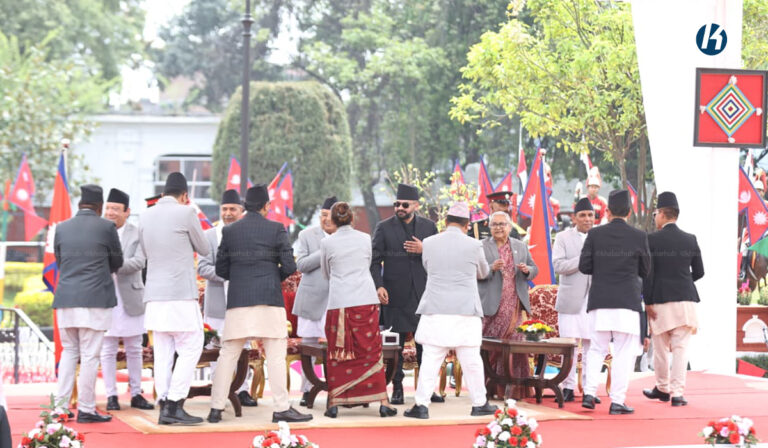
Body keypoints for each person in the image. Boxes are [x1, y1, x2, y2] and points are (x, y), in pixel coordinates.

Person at [207, 185, 312, 424]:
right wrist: (271, 275)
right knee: (275, 355)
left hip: (238, 300)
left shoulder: (230, 231)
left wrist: (241, 277)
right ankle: (281, 408)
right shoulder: (276, 229)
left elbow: (221, 269)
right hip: (269, 298)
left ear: (245, 206)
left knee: (228, 354)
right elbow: (289, 266)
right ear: (266, 206)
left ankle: (216, 408)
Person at [404, 202, 497, 419]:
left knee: (430, 360)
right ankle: (479, 403)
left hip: (436, 308)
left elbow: (428, 267)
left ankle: (421, 405)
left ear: (445, 222)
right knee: (472, 361)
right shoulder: (474, 245)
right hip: (465, 310)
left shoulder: (429, 242)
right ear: (467, 225)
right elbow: (483, 273)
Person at [139, 172, 209, 425]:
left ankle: (164, 404)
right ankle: (175, 402)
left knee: (163, 351)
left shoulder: (145, 215)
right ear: (184, 195)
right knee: (192, 345)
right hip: (179, 293)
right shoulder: (187, 212)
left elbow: (145, 252)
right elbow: (204, 248)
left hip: (154, 295)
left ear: (163, 193)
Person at [319, 201, 397, 419]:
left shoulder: (327, 243)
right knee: (370, 351)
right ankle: (383, 402)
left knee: (338, 352)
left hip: (340, 302)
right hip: (365, 299)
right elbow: (368, 265)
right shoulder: (365, 239)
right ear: (352, 218)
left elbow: (326, 273)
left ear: (333, 220)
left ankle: (335, 402)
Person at [53, 185, 123, 423]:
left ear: (80, 204)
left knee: (69, 352)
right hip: (95, 299)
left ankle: (59, 408)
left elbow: (60, 262)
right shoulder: (106, 227)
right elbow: (117, 262)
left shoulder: (61, 227)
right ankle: (86, 409)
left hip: (66, 299)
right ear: (99, 206)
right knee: (90, 356)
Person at [579, 190, 651, 415]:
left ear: (607, 211)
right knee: (623, 353)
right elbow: (646, 270)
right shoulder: (639, 236)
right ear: (629, 212)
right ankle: (617, 401)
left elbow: (584, 266)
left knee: (596, 349)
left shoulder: (595, 234)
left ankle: (589, 393)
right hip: (627, 301)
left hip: (600, 300)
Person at [370, 183, 438, 404]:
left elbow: (439, 258)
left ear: (416, 205)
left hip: (422, 294)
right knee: (396, 347)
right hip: (394, 294)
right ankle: (397, 389)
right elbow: (374, 260)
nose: (400, 208)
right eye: (397, 204)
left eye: (405, 205)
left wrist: (424, 249)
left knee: (425, 345)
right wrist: (379, 286)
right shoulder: (384, 227)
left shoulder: (429, 227)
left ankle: (427, 390)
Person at [642, 192, 704, 407]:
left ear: (662, 213)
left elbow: (647, 274)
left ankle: (662, 388)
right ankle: (677, 394)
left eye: (656, 213)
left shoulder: (651, 239)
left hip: (660, 300)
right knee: (680, 349)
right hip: (686, 301)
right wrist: (683, 281)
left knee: (660, 349)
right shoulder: (690, 239)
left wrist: (647, 301)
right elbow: (699, 272)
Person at [197, 189, 257, 407]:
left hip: (243, 301)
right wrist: (229, 274)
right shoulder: (209, 236)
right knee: (217, 347)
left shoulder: (249, 234)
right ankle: (219, 389)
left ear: (242, 211)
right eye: (225, 209)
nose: (228, 213)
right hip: (216, 303)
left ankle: (242, 389)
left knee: (243, 345)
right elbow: (203, 267)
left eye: (233, 209)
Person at [100, 188, 154, 412]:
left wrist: (112, 265)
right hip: (106, 296)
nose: (110, 213)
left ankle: (136, 393)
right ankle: (111, 395)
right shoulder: (100, 231)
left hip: (131, 296)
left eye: (115, 209)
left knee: (134, 348)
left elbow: (139, 262)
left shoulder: (137, 233)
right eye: (108, 208)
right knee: (108, 348)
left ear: (127, 211)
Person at [478, 211, 538, 399]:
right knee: (490, 347)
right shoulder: (481, 246)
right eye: (494, 224)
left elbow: (534, 268)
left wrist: (527, 270)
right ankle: (489, 388)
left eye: (502, 224)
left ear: (510, 227)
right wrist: (490, 268)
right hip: (491, 306)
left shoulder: (520, 246)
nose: (498, 228)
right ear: (489, 227)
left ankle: (514, 389)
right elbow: (474, 272)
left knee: (514, 347)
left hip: (514, 305)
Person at [552, 198, 600, 404]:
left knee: (593, 347)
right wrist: (584, 259)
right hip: (571, 300)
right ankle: (568, 387)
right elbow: (558, 266)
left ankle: (590, 390)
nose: (587, 219)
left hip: (595, 299)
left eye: (590, 215)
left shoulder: (601, 237)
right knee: (570, 346)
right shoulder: (563, 237)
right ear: (574, 218)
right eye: (583, 215)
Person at [292, 195, 337, 406]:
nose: (325, 219)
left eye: (329, 215)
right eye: (322, 215)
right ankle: (307, 390)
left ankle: (337, 389)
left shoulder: (347, 237)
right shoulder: (306, 235)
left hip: (337, 301)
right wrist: (325, 248)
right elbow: (301, 265)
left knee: (337, 347)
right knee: (308, 347)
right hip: (311, 299)